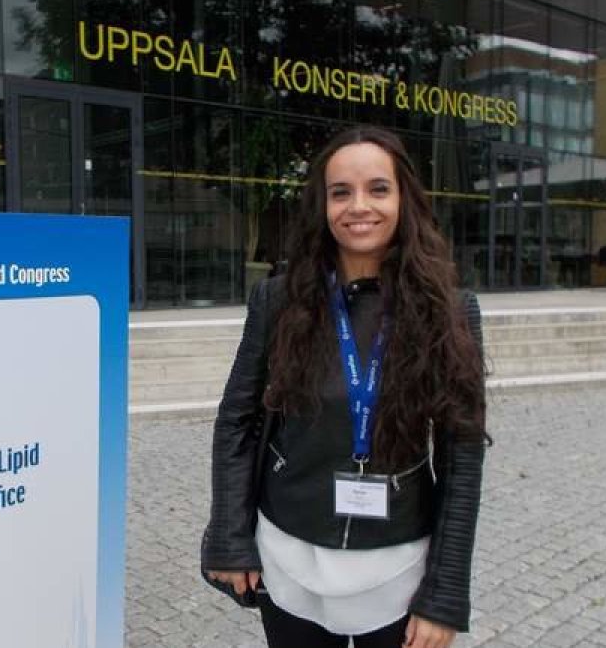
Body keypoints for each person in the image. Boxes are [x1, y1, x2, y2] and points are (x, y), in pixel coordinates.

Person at [202, 125, 487, 648]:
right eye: (341, 192)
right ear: (322, 205)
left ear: (404, 200)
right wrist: (229, 536)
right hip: (289, 553)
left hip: (397, 564)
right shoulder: (277, 301)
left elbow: (461, 459)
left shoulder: (450, 312)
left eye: (378, 189)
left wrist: (444, 593)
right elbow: (238, 421)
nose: (359, 206)